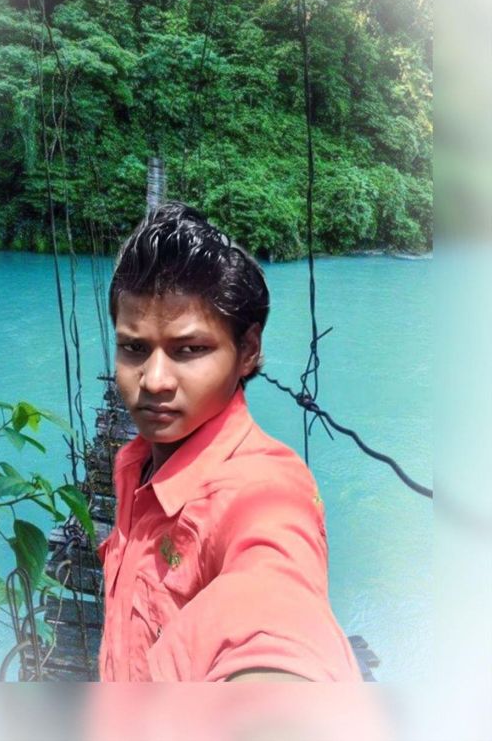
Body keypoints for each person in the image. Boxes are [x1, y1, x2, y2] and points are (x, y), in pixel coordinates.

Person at [97, 201, 361, 682]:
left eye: (189, 350)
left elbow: (275, 611)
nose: (154, 380)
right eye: (134, 348)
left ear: (248, 351)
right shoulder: (133, 464)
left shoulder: (265, 491)